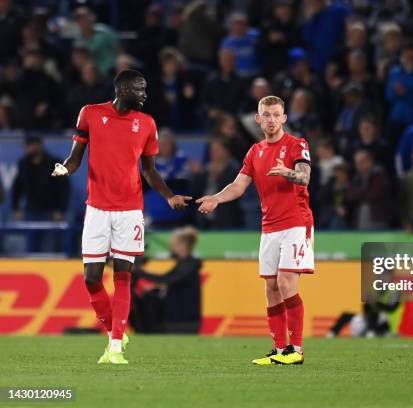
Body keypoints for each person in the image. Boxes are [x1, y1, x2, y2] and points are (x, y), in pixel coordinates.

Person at [51, 69, 192, 364]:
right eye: (139, 88)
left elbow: (150, 170)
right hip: (97, 209)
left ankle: (115, 345)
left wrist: (169, 195)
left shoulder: (147, 123)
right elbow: (75, 156)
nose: (144, 94)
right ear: (123, 88)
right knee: (91, 279)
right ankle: (113, 329)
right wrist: (65, 169)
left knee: (124, 275)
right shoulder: (90, 114)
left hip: (129, 211)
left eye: (145, 88)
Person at [196, 95, 314, 365]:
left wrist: (288, 173)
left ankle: (296, 350)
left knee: (285, 282)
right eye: (266, 115)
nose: (271, 120)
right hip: (269, 226)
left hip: (296, 222)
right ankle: (279, 350)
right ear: (258, 119)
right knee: (271, 287)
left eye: (276, 115)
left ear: (284, 118)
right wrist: (216, 198)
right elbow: (238, 186)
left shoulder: (297, 144)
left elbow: (305, 176)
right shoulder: (255, 151)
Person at [132, 226, 202, 334]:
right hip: (179, 317)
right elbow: (168, 281)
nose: (171, 248)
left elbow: (166, 279)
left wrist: (138, 272)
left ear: (183, 246)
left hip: (184, 320)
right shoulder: (185, 264)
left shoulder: (189, 265)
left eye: (173, 245)